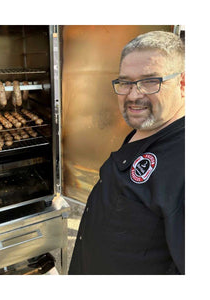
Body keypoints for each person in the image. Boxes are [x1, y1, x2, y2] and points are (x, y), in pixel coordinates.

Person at [68, 31, 185, 275]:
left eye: (151, 81)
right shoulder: (148, 125)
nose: (133, 95)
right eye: (126, 82)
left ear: (183, 83)